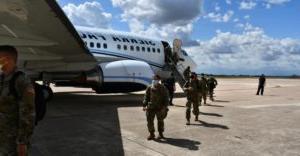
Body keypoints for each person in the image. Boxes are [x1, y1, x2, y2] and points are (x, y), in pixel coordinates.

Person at [0, 45, 35, 156]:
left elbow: (28, 113)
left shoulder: (21, 80)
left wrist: (22, 142)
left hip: (13, 140)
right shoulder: (2, 78)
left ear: (7, 59)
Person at [143, 75, 169, 140]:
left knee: (160, 121)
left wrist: (165, 107)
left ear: (159, 80)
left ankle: (160, 134)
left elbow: (166, 98)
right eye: (153, 79)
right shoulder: (149, 87)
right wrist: (144, 105)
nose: (154, 80)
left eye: (156, 79)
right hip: (150, 107)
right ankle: (152, 134)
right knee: (149, 121)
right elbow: (146, 97)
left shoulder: (163, 88)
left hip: (159, 107)